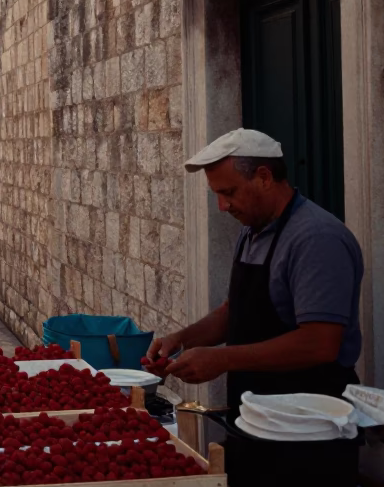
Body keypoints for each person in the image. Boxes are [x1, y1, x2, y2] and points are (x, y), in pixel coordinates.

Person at [146, 128, 364, 411]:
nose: (222, 206)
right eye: (217, 194)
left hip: (309, 421)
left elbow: (319, 343)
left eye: (229, 192)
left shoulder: (317, 238)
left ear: (264, 177)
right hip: (256, 412)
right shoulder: (253, 230)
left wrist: (222, 359)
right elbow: (235, 311)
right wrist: (179, 340)